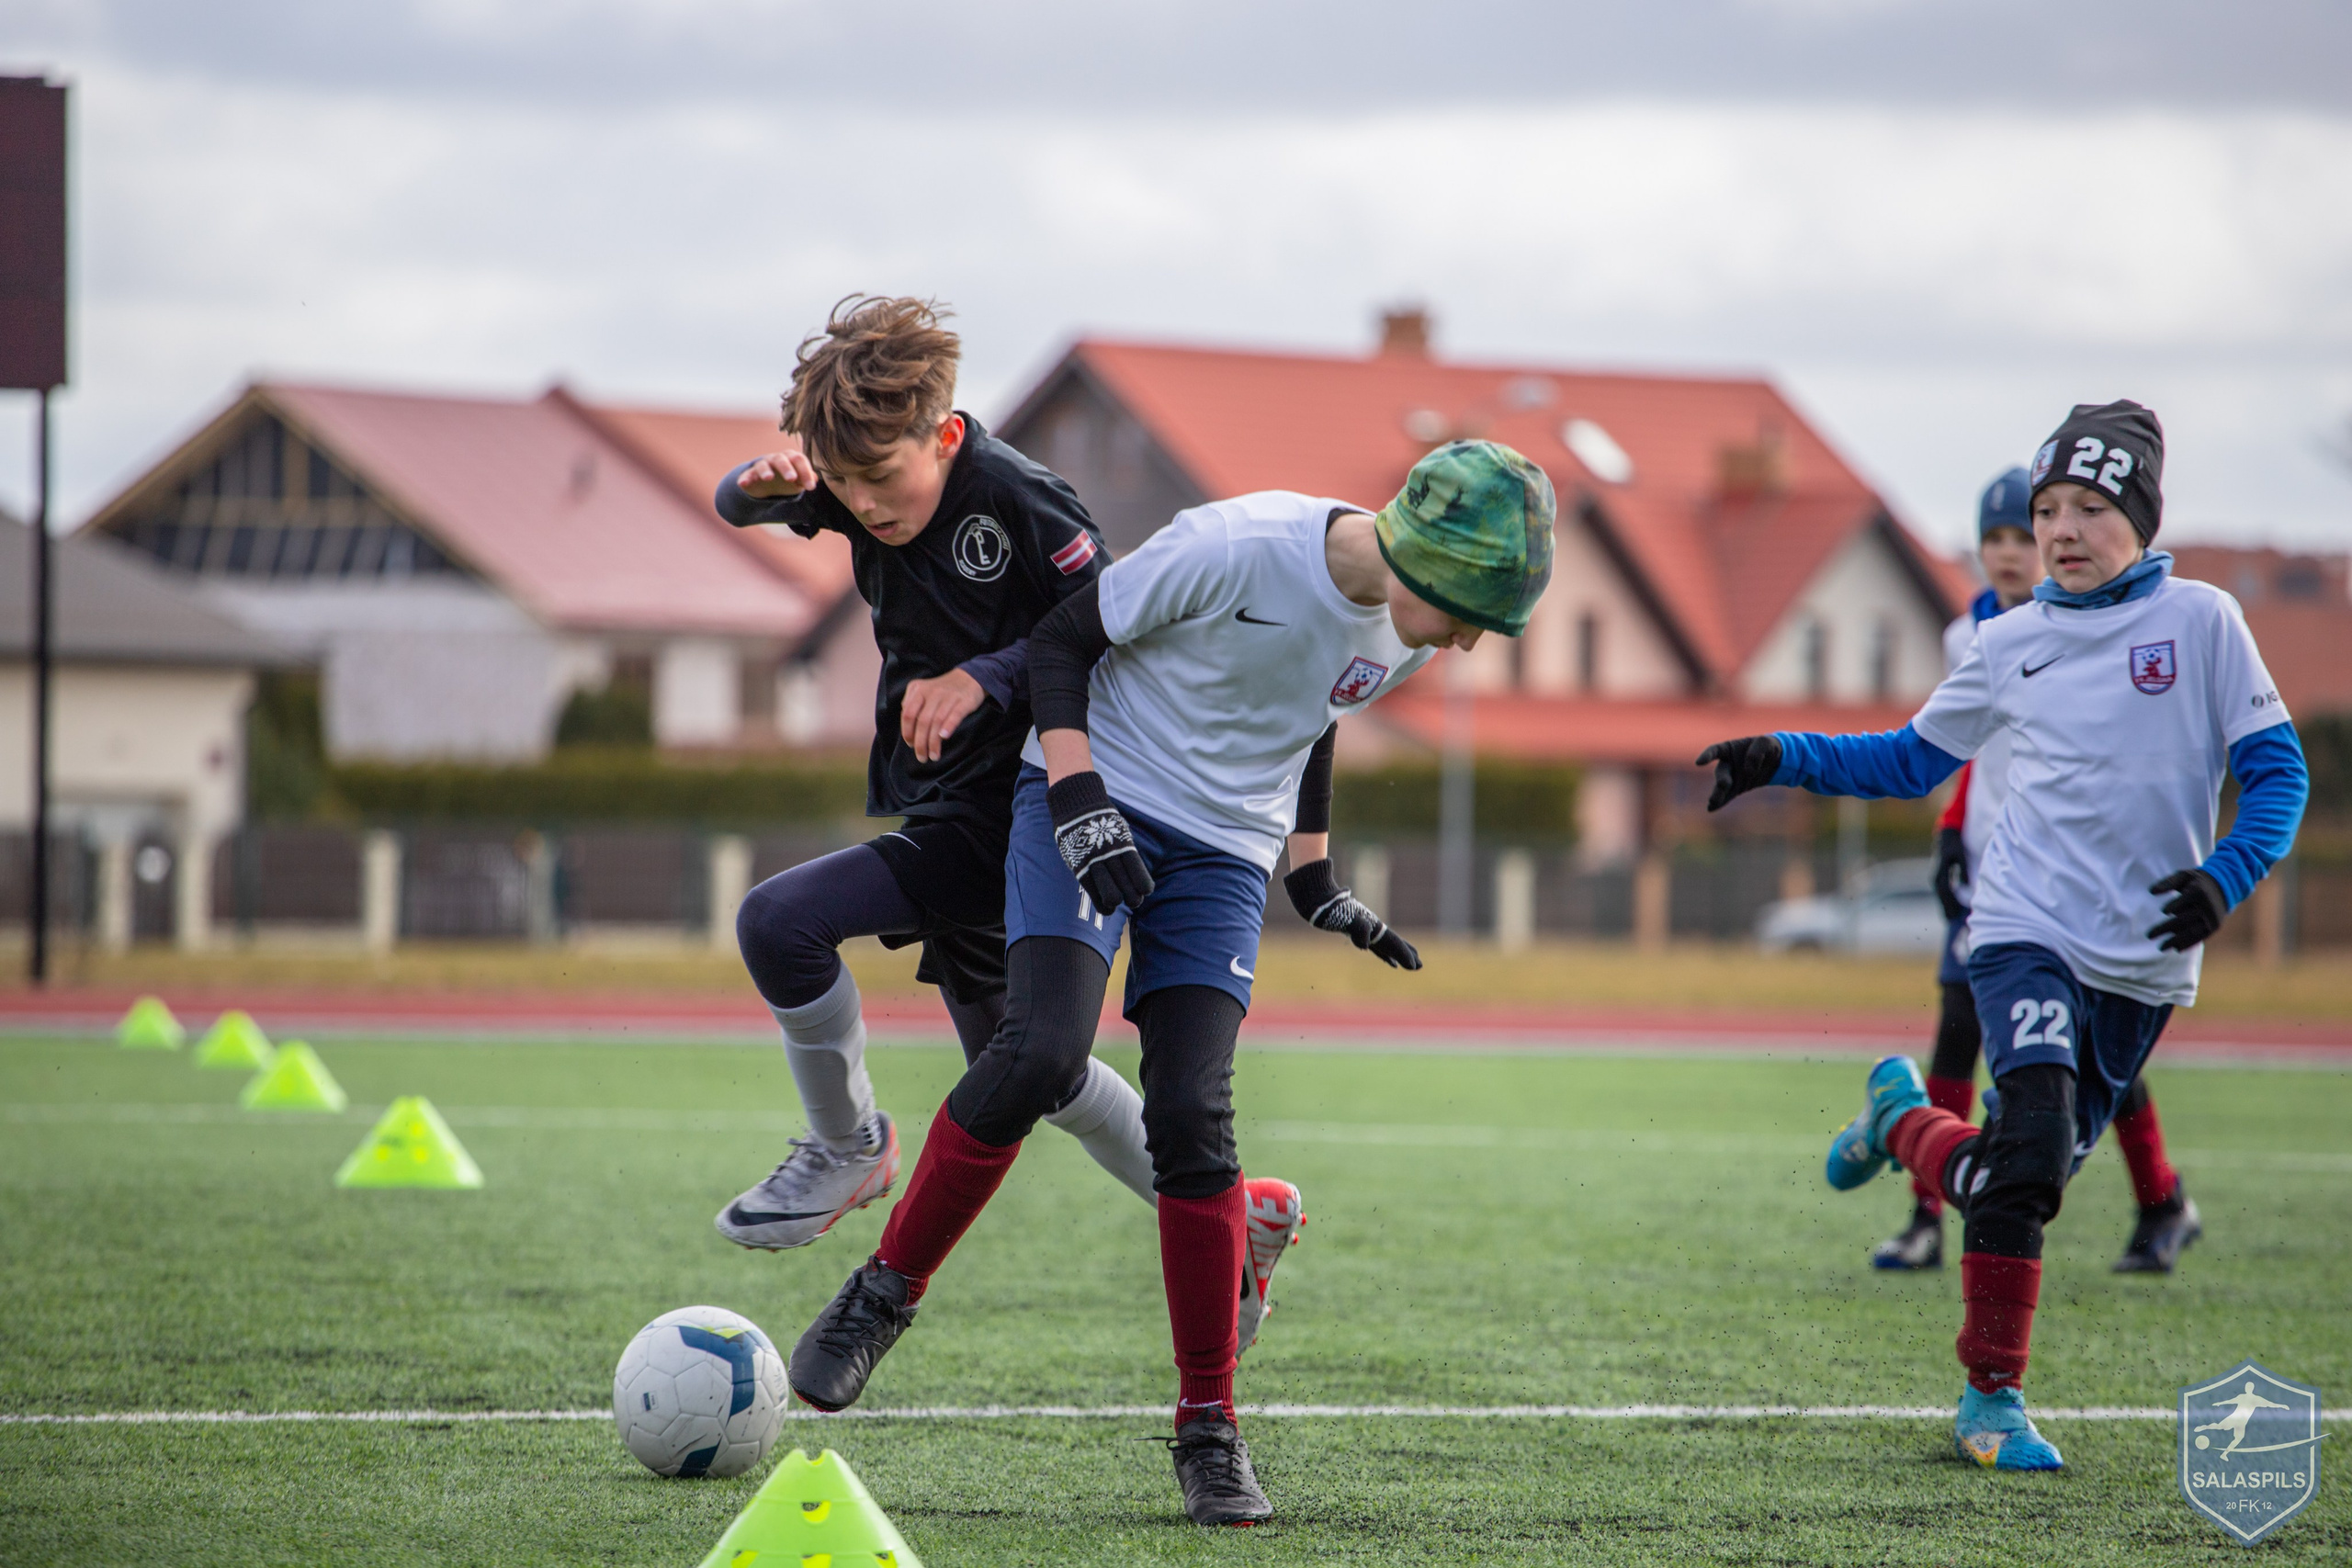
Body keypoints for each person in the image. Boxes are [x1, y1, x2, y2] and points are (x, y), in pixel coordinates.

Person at [783, 439, 1555, 1527]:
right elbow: (1059, 641)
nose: (1472, 639)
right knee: (1041, 1052)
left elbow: (1315, 704)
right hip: (1093, 791)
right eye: (1472, 610)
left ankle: (1208, 1427)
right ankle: (883, 1294)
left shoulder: (1411, 627)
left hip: (1224, 854)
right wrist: (1082, 794)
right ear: (1420, 558)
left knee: (1195, 1113)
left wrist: (1315, 872)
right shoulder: (1235, 545)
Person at [1698, 400, 2307, 1472]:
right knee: (2026, 1153)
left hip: (2145, 965)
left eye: (2087, 508)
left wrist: (2223, 879)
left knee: (2018, 1184)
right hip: (2021, 930)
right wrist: (1777, 753)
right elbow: (1905, 761)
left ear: (2141, 519)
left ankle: (1898, 1123)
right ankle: (1991, 1400)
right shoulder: (2008, 640)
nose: (2061, 530)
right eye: (2046, 510)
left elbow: (2276, 777)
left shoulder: (2205, 622)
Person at [708, 295, 1305, 1348]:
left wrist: (982, 678)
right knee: (1039, 1075)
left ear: (944, 435)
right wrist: (755, 490)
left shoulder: (1025, 502)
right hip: (951, 806)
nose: (861, 506)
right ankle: (1240, 1215)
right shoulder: (859, 478)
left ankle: (849, 1143)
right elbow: (744, 508)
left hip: (1024, 811)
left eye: (879, 481)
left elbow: (1117, 635)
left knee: (777, 923)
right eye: (839, 485)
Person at [1875, 468, 2199, 1276]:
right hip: (1999, 883)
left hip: (2075, 883)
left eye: (2025, 534)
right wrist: (1952, 832)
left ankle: (2160, 1197)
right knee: (1957, 1030)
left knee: (2089, 1063)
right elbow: (1962, 753)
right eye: (1998, 538)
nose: (2012, 553)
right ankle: (1926, 1214)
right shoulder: (1969, 637)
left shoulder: (2095, 628)